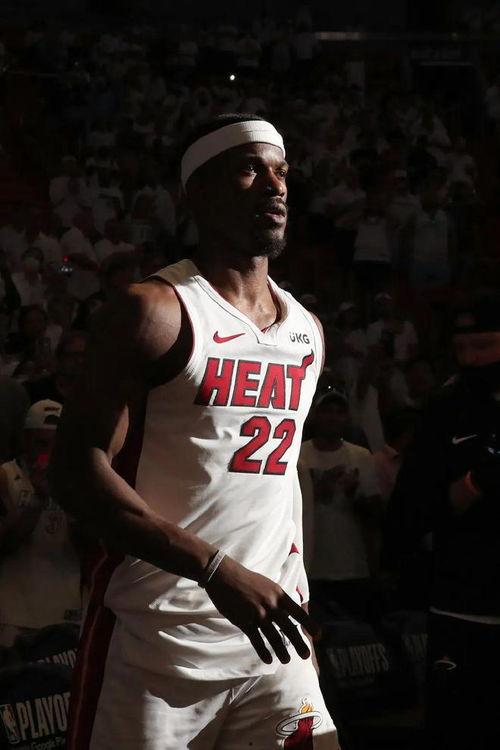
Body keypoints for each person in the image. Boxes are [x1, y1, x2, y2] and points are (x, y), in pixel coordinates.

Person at [51, 113, 339, 749]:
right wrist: (213, 569)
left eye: (282, 172)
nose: (276, 186)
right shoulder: (155, 310)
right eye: (250, 170)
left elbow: (276, 489)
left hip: (272, 640)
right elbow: (74, 470)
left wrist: (299, 604)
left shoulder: (307, 330)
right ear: (196, 193)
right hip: (157, 642)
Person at [385, 290, 500, 749]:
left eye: (484, 346)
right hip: (461, 601)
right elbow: (414, 509)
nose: (471, 359)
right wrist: (476, 482)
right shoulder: (446, 407)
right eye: (461, 348)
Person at [0, 400, 81, 647]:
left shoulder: (79, 481)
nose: (50, 453)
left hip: (65, 613)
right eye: (42, 444)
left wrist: (67, 498)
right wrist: (39, 499)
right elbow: (4, 544)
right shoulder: (5, 475)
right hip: (14, 616)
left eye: (57, 445)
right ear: (25, 441)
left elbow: (88, 548)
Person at [300, 390, 382, 621]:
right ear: (315, 415)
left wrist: (354, 494)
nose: (333, 417)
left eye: (339, 412)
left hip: (351, 565)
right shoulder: (298, 454)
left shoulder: (361, 456)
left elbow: (377, 513)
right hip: (310, 565)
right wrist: (318, 489)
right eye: (327, 411)